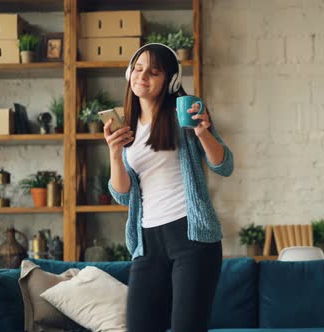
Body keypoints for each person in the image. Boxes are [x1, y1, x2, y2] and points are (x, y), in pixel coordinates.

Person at [103, 43, 234, 332]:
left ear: (170, 80)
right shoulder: (127, 127)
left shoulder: (183, 115)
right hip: (147, 241)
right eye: (138, 69)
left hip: (192, 236)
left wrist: (202, 133)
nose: (143, 76)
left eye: (154, 71)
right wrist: (114, 153)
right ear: (129, 74)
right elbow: (122, 195)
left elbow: (223, 165)